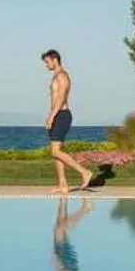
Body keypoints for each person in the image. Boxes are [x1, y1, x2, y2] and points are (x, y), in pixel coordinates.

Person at [42, 49, 93, 194]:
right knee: (56, 151)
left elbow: (61, 99)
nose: (46, 65)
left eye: (47, 62)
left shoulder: (62, 76)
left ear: (55, 59)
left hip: (62, 115)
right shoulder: (56, 76)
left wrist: (52, 116)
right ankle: (63, 185)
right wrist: (51, 115)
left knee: (56, 151)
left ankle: (84, 172)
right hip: (57, 114)